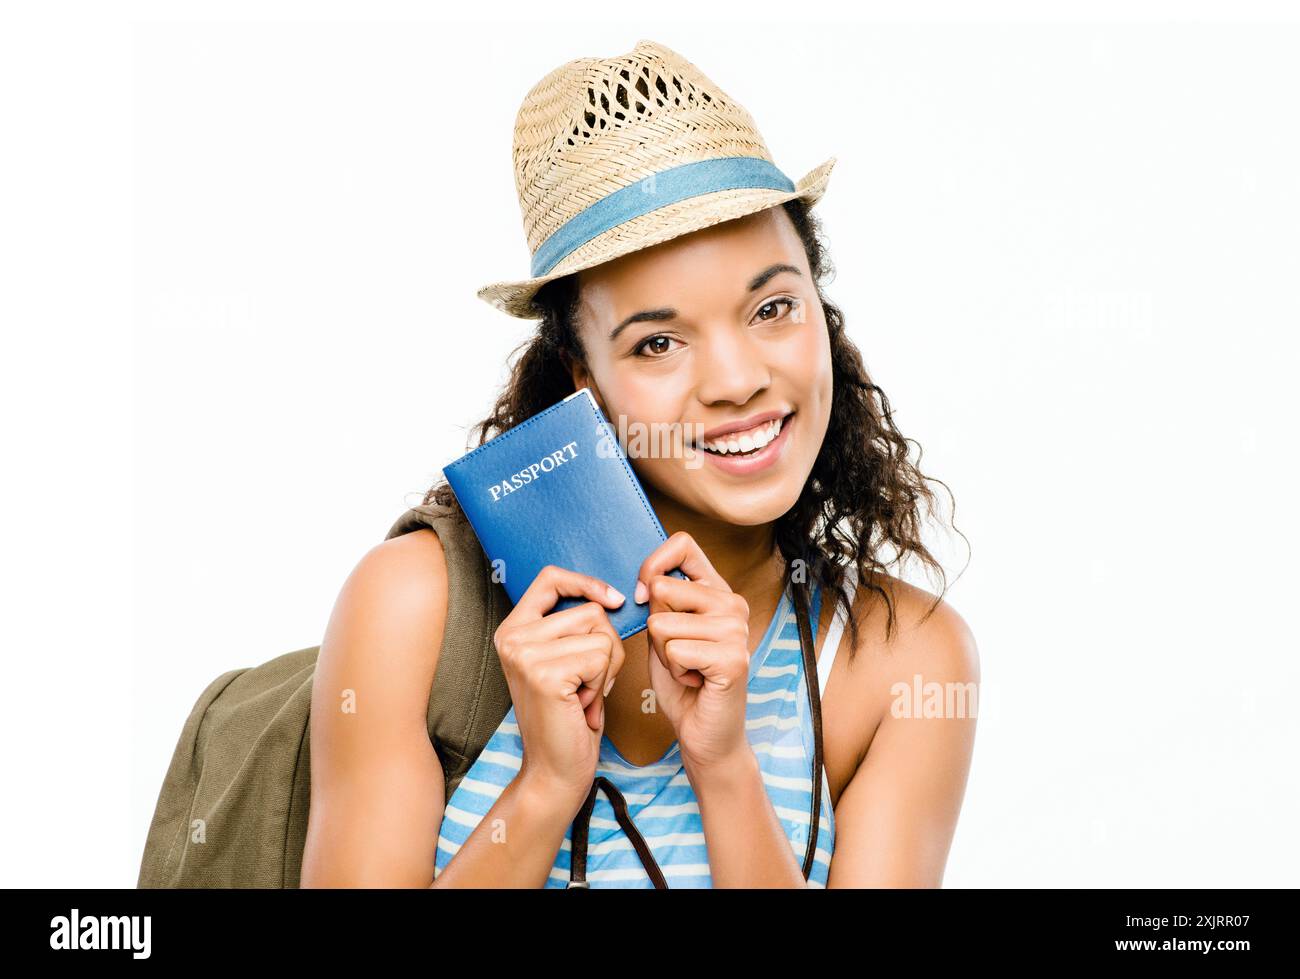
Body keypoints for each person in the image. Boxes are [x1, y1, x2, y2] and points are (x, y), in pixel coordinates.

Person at [300, 39, 978, 888]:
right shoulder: (411, 606)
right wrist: (545, 785)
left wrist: (725, 767)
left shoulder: (901, 661)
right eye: (658, 341)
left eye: (773, 306)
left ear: (822, 307)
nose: (738, 381)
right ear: (586, 378)